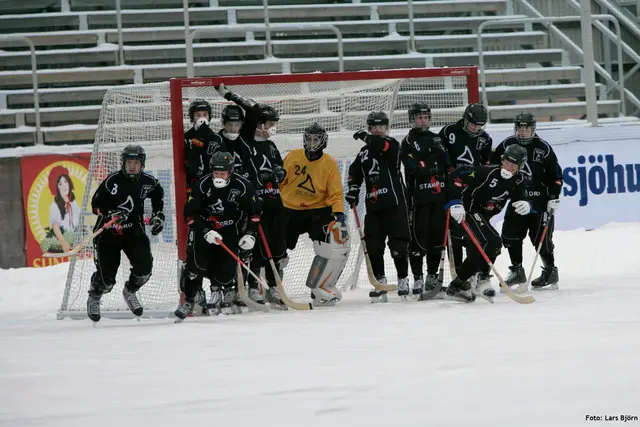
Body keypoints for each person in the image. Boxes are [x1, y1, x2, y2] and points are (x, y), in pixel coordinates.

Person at [216, 83, 288, 309]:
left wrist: (279, 172)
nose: (234, 127)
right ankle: (248, 288)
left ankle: (274, 287)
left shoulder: (264, 144)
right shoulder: (228, 141)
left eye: (238, 123)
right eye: (230, 123)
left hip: (273, 201)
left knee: (277, 246)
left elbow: (278, 168)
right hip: (248, 202)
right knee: (251, 246)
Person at [175, 152, 261, 320]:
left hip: (229, 232)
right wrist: (204, 231)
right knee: (195, 267)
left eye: (222, 173)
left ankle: (221, 290)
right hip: (205, 232)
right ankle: (189, 300)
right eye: (216, 172)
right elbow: (189, 215)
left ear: (230, 172)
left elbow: (255, 213)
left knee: (225, 273)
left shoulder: (243, 187)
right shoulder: (202, 185)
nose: (218, 176)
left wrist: (250, 234)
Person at [87, 145, 165, 322]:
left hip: (133, 232)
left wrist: (158, 215)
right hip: (108, 234)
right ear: (123, 163)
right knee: (107, 281)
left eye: (136, 162)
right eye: (129, 162)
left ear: (142, 164)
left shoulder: (148, 181)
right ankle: (94, 297)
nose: (132, 166)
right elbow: (95, 205)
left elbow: (158, 194)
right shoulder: (112, 181)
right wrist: (111, 213)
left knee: (145, 270)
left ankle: (130, 291)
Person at [445, 144, 531, 302]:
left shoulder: (518, 180)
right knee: (493, 242)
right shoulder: (485, 172)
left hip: (483, 217)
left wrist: (526, 204)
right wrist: (456, 203)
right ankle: (479, 278)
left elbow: (520, 196)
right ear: (501, 160)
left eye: (513, 166)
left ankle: (461, 284)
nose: (508, 167)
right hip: (467, 212)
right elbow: (456, 175)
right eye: (506, 163)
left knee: (481, 248)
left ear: (520, 167)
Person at [279, 123, 350, 306]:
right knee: (276, 249)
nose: (311, 143)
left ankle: (321, 287)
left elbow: (335, 192)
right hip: (289, 208)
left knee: (332, 246)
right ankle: (271, 287)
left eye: (315, 139)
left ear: (323, 141)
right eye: (309, 139)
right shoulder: (293, 156)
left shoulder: (329, 163)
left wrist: (339, 212)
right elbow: (280, 182)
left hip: (317, 211)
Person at [492, 112, 563, 290]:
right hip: (517, 198)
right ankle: (517, 270)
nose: (523, 132)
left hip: (539, 201)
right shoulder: (507, 144)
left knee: (541, 239)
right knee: (510, 234)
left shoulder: (543, 148)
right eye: (520, 128)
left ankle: (550, 270)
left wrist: (554, 196)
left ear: (533, 129)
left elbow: (556, 175)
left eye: (527, 129)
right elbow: (493, 165)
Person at [346, 111, 411, 303]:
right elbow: (354, 172)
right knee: (374, 246)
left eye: (380, 127)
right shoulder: (363, 152)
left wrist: (365, 137)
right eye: (373, 127)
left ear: (386, 128)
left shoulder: (391, 144)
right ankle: (380, 281)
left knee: (398, 245)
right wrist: (353, 189)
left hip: (395, 204)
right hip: (374, 206)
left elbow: (378, 144)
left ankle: (402, 279)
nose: (377, 130)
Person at [438, 103, 493, 279]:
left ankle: (473, 272)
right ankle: (458, 273)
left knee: (472, 231)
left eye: (479, 125)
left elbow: (486, 164)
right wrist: (449, 172)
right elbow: (440, 155)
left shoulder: (485, 139)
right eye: (473, 124)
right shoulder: (449, 131)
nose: (476, 128)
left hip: (472, 190)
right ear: (465, 119)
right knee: (453, 232)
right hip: (451, 187)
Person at [400, 102, 448, 298]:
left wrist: (427, 161)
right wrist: (430, 159)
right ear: (412, 119)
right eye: (419, 117)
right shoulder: (408, 141)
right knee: (419, 239)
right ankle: (418, 276)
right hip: (418, 199)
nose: (423, 120)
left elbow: (446, 164)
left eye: (426, 117)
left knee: (437, 239)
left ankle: (431, 275)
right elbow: (414, 167)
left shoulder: (437, 138)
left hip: (439, 198)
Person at [184, 99, 219, 194]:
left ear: (209, 117)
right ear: (192, 117)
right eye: (198, 115)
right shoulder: (186, 138)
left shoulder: (217, 139)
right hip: (192, 186)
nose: (202, 119)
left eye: (205, 115)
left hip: (212, 185)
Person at [47, 166, 81, 253]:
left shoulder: (74, 203)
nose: (64, 186)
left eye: (66, 182)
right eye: (60, 183)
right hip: (63, 242)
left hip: (75, 240)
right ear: (56, 187)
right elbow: (55, 226)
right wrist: (63, 243)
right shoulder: (54, 206)